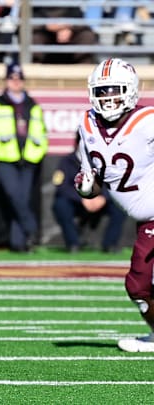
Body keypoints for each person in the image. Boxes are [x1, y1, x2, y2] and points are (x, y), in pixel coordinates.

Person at [73, 58, 154, 352]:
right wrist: (86, 185)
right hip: (145, 220)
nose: (108, 98)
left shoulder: (147, 121)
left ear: (130, 90)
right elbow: (92, 184)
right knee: (138, 288)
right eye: (102, 91)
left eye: (115, 90)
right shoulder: (87, 124)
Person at [0, 63, 47, 252]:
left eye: (19, 79)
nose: (15, 82)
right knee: (14, 196)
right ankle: (31, 229)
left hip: (29, 158)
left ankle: (19, 243)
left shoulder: (32, 105)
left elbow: (41, 132)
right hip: (5, 157)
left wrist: (38, 150)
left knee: (22, 199)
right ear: (6, 80)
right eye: (12, 78)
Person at [52, 142, 125, 253]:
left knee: (120, 206)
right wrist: (82, 198)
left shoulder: (106, 160)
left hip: (100, 201)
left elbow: (114, 181)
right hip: (77, 202)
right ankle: (73, 243)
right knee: (60, 204)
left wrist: (103, 197)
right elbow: (61, 186)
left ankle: (110, 245)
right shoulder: (67, 161)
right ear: (77, 144)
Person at [31, 6, 98, 64]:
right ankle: (34, 72)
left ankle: (84, 72)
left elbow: (78, 17)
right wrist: (46, 26)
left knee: (87, 36)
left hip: (70, 31)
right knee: (34, 38)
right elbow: (30, 18)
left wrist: (69, 27)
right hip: (44, 32)